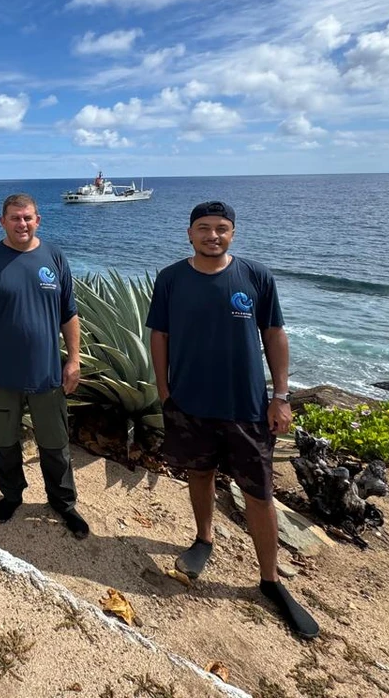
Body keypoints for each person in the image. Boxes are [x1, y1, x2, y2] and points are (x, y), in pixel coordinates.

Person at [146, 200, 318, 640]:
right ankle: (203, 538)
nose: (212, 236)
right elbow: (159, 335)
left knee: (258, 494)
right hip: (190, 404)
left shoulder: (255, 277)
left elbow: (274, 334)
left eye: (221, 228)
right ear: (189, 233)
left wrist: (281, 397)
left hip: (247, 408)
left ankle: (270, 580)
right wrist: (164, 392)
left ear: (233, 233)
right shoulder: (171, 279)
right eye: (203, 228)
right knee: (199, 474)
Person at [0, 194, 89, 539]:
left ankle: (63, 503)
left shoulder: (54, 257)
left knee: (55, 443)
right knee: (5, 440)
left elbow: (69, 314)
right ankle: (12, 495)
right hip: (1, 374)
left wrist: (74, 359)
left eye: (28, 218)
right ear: (2, 221)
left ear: (38, 220)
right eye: (15, 218)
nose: (22, 224)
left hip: (47, 374)